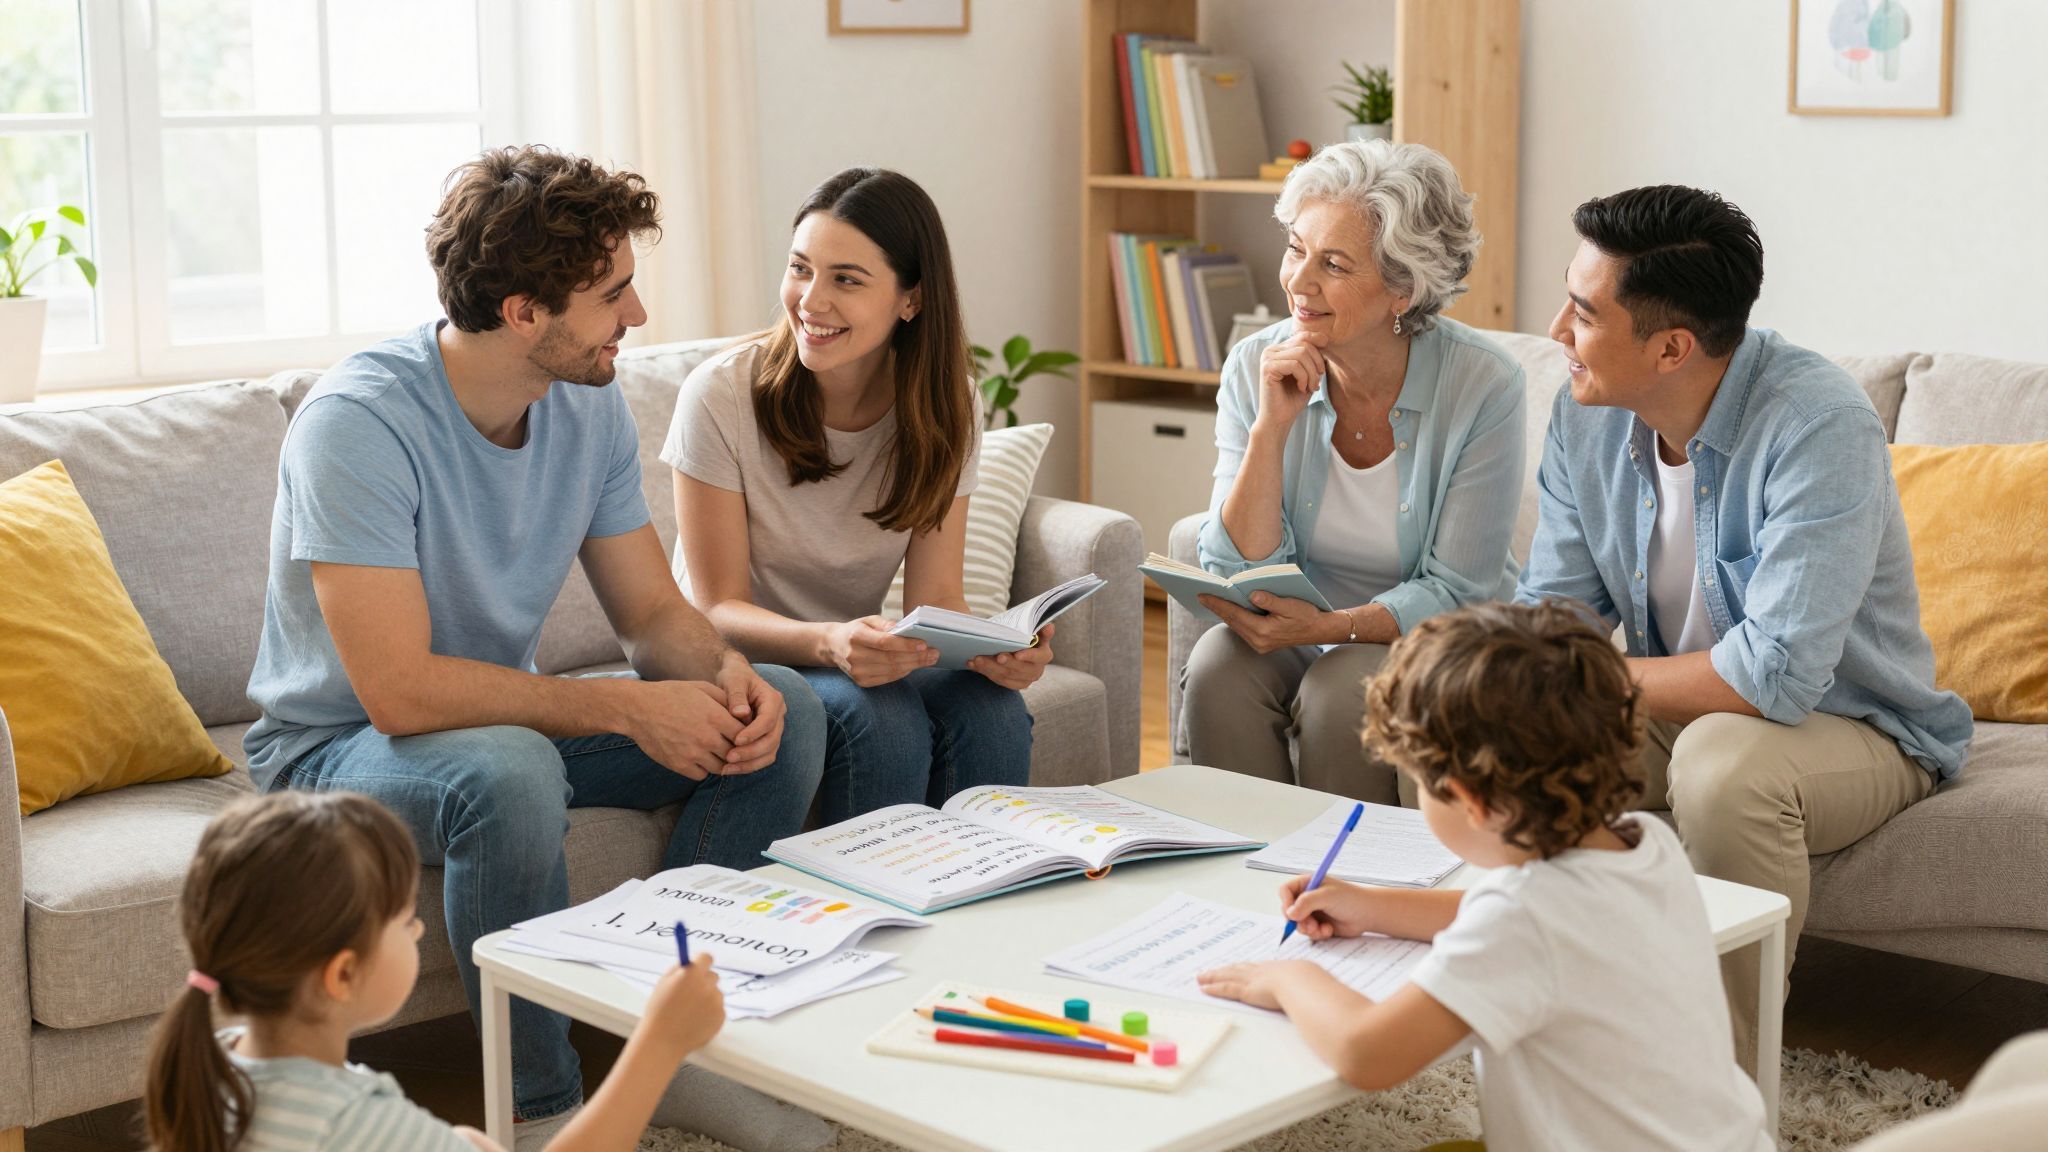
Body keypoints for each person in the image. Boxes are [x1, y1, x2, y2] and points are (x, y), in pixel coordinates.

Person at [242, 146, 829, 1145]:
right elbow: (397, 694)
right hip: (331, 755)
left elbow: (649, 614)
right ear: (522, 311)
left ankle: (680, 1046)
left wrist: (727, 681)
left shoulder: (588, 400)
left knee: (790, 710)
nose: (636, 318)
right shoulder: (358, 425)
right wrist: (619, 707)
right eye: (613, 293)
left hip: (490, 725)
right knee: (509, 772)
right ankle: (541, 1107)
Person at [1517, 184, 1971, 1062]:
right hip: (1680, 705)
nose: (1554, 331)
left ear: (1671, 347)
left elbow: (1773, 677)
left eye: (1581, 311)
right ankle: (1552, 1030)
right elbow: (1554, 619)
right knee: (1510, 729)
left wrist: (1577, 677)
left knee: (1723, 765)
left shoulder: (1819, 425)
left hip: (1850, 725)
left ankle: (1720, 1077)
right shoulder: (1587, 419)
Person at [1196, 601, 1776, 1152]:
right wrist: (1372, 905)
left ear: (1470, 801)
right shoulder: (1641, 843)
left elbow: (1366, 1054)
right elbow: (1511, 916)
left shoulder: (1523, 922)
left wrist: (1290, 980)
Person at [665, 167, 1042, 825]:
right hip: (732, 658)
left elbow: (936, 599)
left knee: (992, 710)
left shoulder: (948, 405)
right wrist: (831, 642)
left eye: (846, 279)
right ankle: (874, 913)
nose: (811, 299)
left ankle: (982, 903)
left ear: (911, 300)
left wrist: (993, 647)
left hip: (846, 653)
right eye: (800, 269)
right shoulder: (720, 396)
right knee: (883, 716)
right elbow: (714, 609)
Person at [1182, 140, 1525, 804]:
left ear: (1404, 288)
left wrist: (1329, 628)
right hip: (1297, 627)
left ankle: (1353, 887)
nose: (1298, 283)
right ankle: (1243, 879)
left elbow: (1459, 588)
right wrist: (1272, 428)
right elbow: (1231, 561)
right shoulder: (1257, 362)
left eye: (1333, 264)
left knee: (1345, 687)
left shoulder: (1484, 385)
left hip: (1427, 640)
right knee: (1219, 666)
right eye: (1295, 248)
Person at [143, 791, 724, 1152]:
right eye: (403, 921)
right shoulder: (355, 1122)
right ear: (342, 976)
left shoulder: (216, 1062)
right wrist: (659, 1043)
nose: (418, 929)